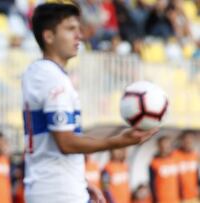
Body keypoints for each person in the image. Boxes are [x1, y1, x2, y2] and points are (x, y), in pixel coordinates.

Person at [21, 3, 159, 203]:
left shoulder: (40, 73)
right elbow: (66, 143)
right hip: (58, 194)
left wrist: (81, 183)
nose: (79, 35)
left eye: (79, 28)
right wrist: (119, 141)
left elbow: (52, 143)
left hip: (56, 189)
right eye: (70, 29)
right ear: (48, 36)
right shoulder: (52, 78)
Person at [149, 136, 179, 203]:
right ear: (159, 146)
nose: (166, 147)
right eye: (163, 144)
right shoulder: (153, 163)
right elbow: (151, 183)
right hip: (162, 199)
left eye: (168, 144)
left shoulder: (174, 159)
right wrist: (155, 199)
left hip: (175, 198)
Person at [172, 130, 199, 203]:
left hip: (194, 196)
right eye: (186, 139)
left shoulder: (195, 155)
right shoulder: (174, 154)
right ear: (181, 140)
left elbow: (197, 173)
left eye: (190, 139)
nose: (188, 142)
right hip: (178, 197)